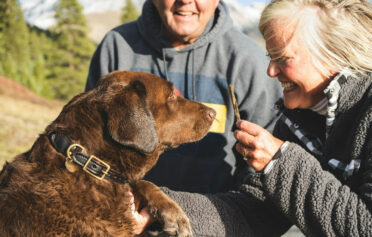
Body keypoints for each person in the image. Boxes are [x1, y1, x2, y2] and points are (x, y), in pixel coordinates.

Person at [135, 0, 372, 236]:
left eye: (283, 58)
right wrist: (154, 206)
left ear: (333, 54)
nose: (270, 71)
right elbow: (250, 214)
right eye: (270, 56)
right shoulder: (297, 122)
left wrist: (280, 162)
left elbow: (364, 226)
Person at [85, 0, 282, 194]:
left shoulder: (248, 61)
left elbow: (263, 170)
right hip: (126, 216)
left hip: (218, 218)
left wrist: (226, 219)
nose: (185, 1)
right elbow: (90, 145)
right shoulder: (117, 48)